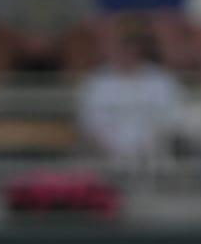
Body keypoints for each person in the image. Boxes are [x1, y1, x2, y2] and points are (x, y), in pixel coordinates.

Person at [78, 26, 182, 158]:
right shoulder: (96, 82)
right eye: (122, 48)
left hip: (155, 153)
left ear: (139, 50)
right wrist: (111, 147)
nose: (127, 53)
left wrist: (149, 145)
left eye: (131, 48)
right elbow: (90, 120)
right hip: (105, 152)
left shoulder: (162, 80)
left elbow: (172, 116)